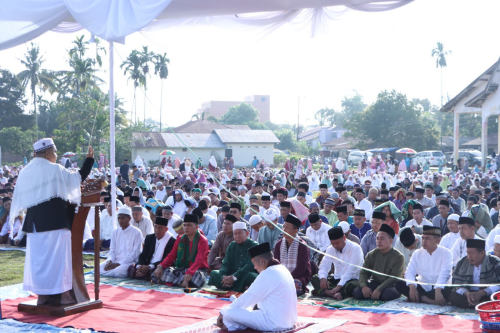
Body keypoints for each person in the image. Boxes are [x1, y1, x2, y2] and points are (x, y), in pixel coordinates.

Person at [10, 138, 94, 306]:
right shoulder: (54, 169)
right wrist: (89, 160)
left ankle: (42, 296)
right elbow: (77, 179)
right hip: (55, 223)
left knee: (38, 261)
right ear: (48, 152)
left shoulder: (25, 171)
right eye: (55, 151)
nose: (56, 155)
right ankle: (63, 295)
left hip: (34, 224)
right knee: (58, 260)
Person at [217, 243, 297, 331]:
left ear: (262, 261)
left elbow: (248, 298)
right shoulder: (283, 269)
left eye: (254, 264)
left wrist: (223, 312)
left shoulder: (268, 273)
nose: (254, 267)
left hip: (273, 323)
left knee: (228, 312)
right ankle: (233, 324)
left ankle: (230, 325)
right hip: (289, 321)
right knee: (240, 307)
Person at [396, 226, 452, 305]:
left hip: (440, 287)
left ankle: (421, 298)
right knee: (399, 283)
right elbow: (409, 271)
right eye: (423, 238)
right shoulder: (417, 253)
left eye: (427, 239)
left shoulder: (446, 253)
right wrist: (412, 286)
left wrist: (438, 290)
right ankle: (428, 300)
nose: (424, 241)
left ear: (437, 240)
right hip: (423, 286)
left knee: (451, 290)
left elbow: (445, 273)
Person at [153, 213, 209, 288]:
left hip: (197, 270)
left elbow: (199, 260)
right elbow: (172, 255)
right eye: (184, 225)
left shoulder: (203, 240)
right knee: (165, 271)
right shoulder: (180, 239)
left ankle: (178, 282)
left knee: (197, 277)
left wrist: (190, 273)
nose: (186, 228)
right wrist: (161, 266)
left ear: (196, 227)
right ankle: (182, 282)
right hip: (182, 269)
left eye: (189, 225)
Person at [353, 224, 404, 301]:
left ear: (391, 240)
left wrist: (379, 289)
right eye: (377, 238)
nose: (379, 241)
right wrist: (364, 286)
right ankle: (372, 293)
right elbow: (363, 272)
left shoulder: (399, 256)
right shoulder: (371, 254)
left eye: (382, 239)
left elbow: (394, 278)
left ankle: (375, 293)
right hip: (375, 283)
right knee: (357, 292)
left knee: (387, 295)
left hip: (390, 285)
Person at [311, 226, 363, 299]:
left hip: (351, 280)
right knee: (315, 278)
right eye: (333, 243)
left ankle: (326, 292)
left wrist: (338, 287)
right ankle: (333, 294)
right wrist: (323, 278)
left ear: (344, 238)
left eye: (337, 243)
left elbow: (350, 271)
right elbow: (324, 266)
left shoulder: (355, 248)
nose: (335, 246)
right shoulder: (330, 249)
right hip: (336, 279)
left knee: (353, 286)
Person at [449, 239, 500, 308]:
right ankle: (477, 304)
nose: (469, 256)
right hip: (468, 293)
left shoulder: (494, 262)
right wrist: (467, 293)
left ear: (482, 253)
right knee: (453, 294)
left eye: (472, 253)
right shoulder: (462, 262)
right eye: (468, 253)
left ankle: (479, 305)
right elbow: (455, 283)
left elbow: (498, 284)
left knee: (495, 297)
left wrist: (483, 292)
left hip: (487, 294)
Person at [208, 221, 259, 292]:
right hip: (230, 274)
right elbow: (226, 263)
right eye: (235, 234)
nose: (237, 236)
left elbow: (249, 266)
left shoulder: (255, 245)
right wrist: (224, 276)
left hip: (244, 275)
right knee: (214, 273)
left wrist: (234, 277)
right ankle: (228, 284)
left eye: (239, 233)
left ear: (247, 233)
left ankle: (230, 286)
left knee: (252, 277)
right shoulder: (232, 245)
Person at [273, 214, 312, 296]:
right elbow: (275, 265)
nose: (283, 230)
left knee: (294, 286)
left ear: (296, 230)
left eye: (287, 227)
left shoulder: (302, 246)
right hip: (281, 277)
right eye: (283, 227)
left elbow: (301, 269)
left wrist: (287, 278)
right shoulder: (278, 244)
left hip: (297, 277)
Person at [100, 206, 143, 278]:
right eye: (119, 218)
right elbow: (112, 250)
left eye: (123, 218)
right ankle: (110, 271)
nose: (120, 220)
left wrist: (119, 264)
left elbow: (136, 253)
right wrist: (110, 261)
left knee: (118, 272)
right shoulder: (115, 232)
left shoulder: (137, 232)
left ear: (129, 218)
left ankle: (111, 272)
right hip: (115, 260)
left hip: (128, 263)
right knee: (99, 268)